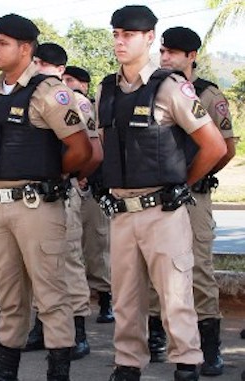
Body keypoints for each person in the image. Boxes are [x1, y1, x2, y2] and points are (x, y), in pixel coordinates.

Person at [99, 6, 226, 381]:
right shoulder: (107, 89)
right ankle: (127, 367)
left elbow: (215, 146)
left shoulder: (171, 86)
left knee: (175, 301)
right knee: (126, 300)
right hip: (122, 211)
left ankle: (186, 368)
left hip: (162, 212)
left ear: (150, 37)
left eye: (130, 35)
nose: (121, 42)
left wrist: (182, 186)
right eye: (117, 34)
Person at [0, 14, 93, 381]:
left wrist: (53, 173)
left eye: (3, 43)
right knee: (8, 295)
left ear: (25, 49)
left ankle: (57, 372)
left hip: (37, 206)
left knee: (50, 294)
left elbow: (80, 148)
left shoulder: (48, 91)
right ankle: (4, 370)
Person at [151, 26, 237, 376]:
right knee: (155, 268)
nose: (166, 57)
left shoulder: (208, 94)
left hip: (193, 195)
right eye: (163, 51)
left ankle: (210, 344)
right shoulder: (151, 90)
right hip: (156, 195)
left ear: (192, 56)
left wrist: (193, 179)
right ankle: (157, 335)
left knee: (198, 268)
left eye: (174, 52)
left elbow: (226, 149)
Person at [22, 43, 103, 361]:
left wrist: (74, 175)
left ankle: (79, 330)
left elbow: (93, 152)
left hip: (59, 190)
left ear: (48, 65)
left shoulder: (75, 100)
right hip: (31, 196)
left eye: (36, 62)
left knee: (68, 263)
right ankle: (42, 327)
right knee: (35, 265)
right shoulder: (26, 96)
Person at [62, 65, 115, 324]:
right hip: (74, 188)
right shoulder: (64, 107)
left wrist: (84, 176)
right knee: (72, 250)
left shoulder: (91, 108)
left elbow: (98, 149)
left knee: (97, 248)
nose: (65, 83)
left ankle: (106, 301)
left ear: (84, 84)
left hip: (94, 188)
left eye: (70, 80)